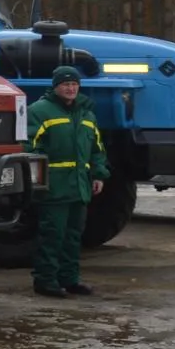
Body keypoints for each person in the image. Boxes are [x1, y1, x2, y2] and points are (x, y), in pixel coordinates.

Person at [26, 66, 111, 297]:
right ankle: (45, 281)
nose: (71, 88)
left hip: (79, 187)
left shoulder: (87, 115)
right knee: (52, 235)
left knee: (73, 237)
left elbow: (97, 149)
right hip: (54, 187)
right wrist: (39, 179)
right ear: (56, 87)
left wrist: (98, 174)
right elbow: (29, 146)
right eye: (66, 84)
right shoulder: (39, 111)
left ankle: (69, 279)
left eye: (74, 84)